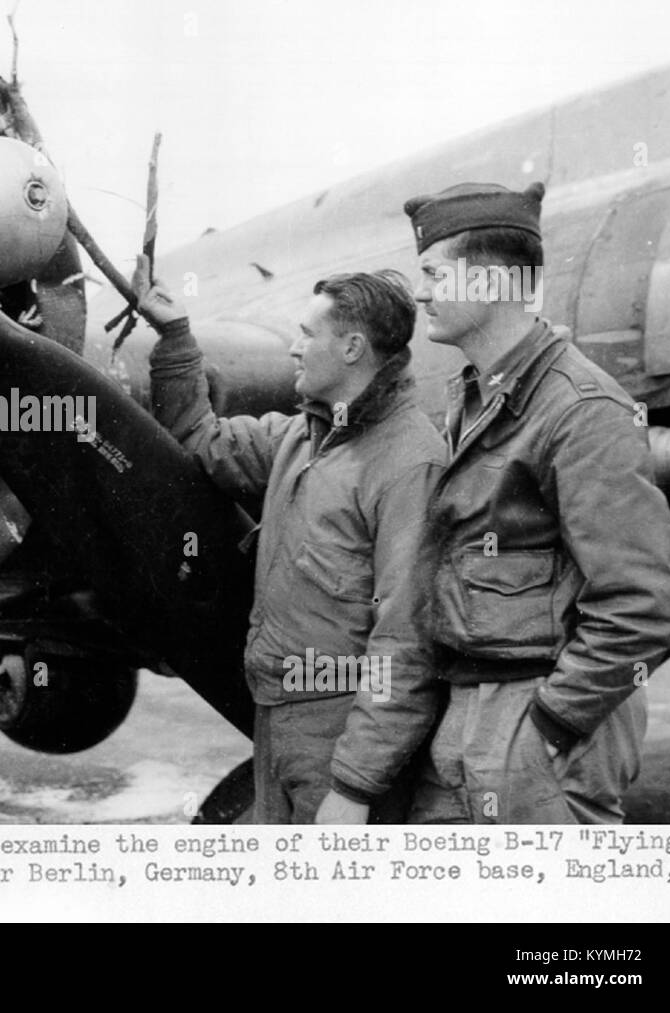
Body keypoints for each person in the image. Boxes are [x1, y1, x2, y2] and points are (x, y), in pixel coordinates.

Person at [404, 180, 670, 823]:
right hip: (468, 707)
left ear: (490, 282)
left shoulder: (580, 409)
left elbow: (644, 604)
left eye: (431, 272)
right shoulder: (473, 397)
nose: (419, 291)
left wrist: (550, 729)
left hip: (540, 721)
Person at [140, 268, 446, 823]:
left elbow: (406, 646)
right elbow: (200, 438)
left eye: (308, 335)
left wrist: (354, 788)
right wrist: (176, 338)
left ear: (352, 347)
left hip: (339, 733)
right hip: (276, 716)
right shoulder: (301, 437)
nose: (295, 349)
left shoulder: (409, 463)